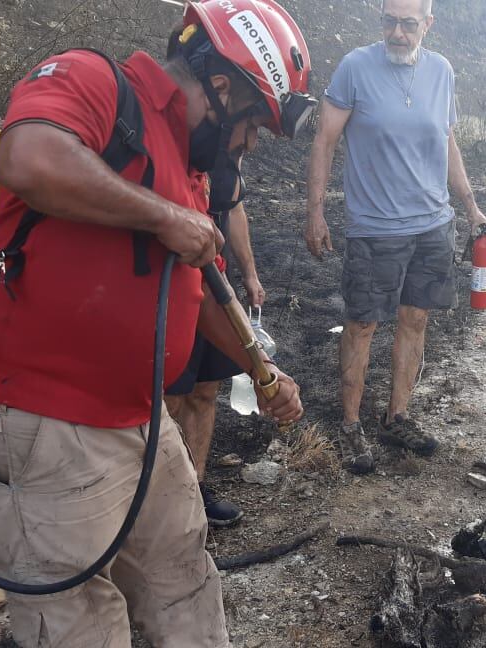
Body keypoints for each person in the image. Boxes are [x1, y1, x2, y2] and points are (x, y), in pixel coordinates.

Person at [0, 1, 312, 644]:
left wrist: (263, 372)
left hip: (140, 417)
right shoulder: (94, 81)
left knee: (183, 573)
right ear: (222, 87)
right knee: (78, 618)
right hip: (45, 422)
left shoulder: (191, 164)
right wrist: (163, 216)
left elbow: (198, 288)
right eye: (253, 126)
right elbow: (28, 158)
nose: (250, 144)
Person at [304, 0, 486, 475]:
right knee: (362, 324)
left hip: (433, 225)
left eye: (408, 24)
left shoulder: (442, 72)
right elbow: (325, 138)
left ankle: (397, 417)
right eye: (389, 21)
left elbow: (446, 139)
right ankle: (351, 425)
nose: (397, 33)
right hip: (374, 229)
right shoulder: (354, 68)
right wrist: (315, 211)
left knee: (415, 319)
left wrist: (470, 206)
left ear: (427, 25)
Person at [162, 27, 267, 529]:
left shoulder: (221, 157)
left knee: (206, 391)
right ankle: (166, 495)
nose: (248, 140)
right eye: (249, 126)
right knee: (171, 394)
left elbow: (234, 209)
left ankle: (195, 488)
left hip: (214, 280)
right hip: (181, 283)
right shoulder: (185, 141)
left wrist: (248, 274)